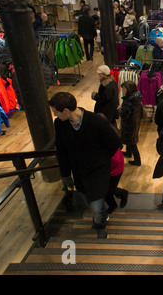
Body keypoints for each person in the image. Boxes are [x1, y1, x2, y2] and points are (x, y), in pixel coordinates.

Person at [49, 92, 122, 238]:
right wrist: (65, 173)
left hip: (97, 172)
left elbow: (115, 144)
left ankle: (100, 226)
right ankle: (101, 216)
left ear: (66, 111)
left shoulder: (96, 121)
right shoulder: (60, 124)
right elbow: (61, 150)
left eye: (56, 112)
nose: (55, 115)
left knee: (95, 206)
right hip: (79, 173)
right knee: (90, 202)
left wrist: (100, 158)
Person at [97, 113, 129, 214]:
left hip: (114, 167)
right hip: (109, 167)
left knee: (107, 190)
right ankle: (113, 204)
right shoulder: (109, 131)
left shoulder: (108, 136)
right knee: (105, 190)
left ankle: (121, 195)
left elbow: (112, 157)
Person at [120, 80, 144, 166]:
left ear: (128, 90)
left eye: (123, 89)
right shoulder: (136, 98)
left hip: (129, 124)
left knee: (132, 142)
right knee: (130, 140)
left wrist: (119, 110)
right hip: (135, 122)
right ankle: (128, 152)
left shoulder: (128, 101)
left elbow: (124, 114)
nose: (122, 91)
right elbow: (141, 112)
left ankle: (137, 160)